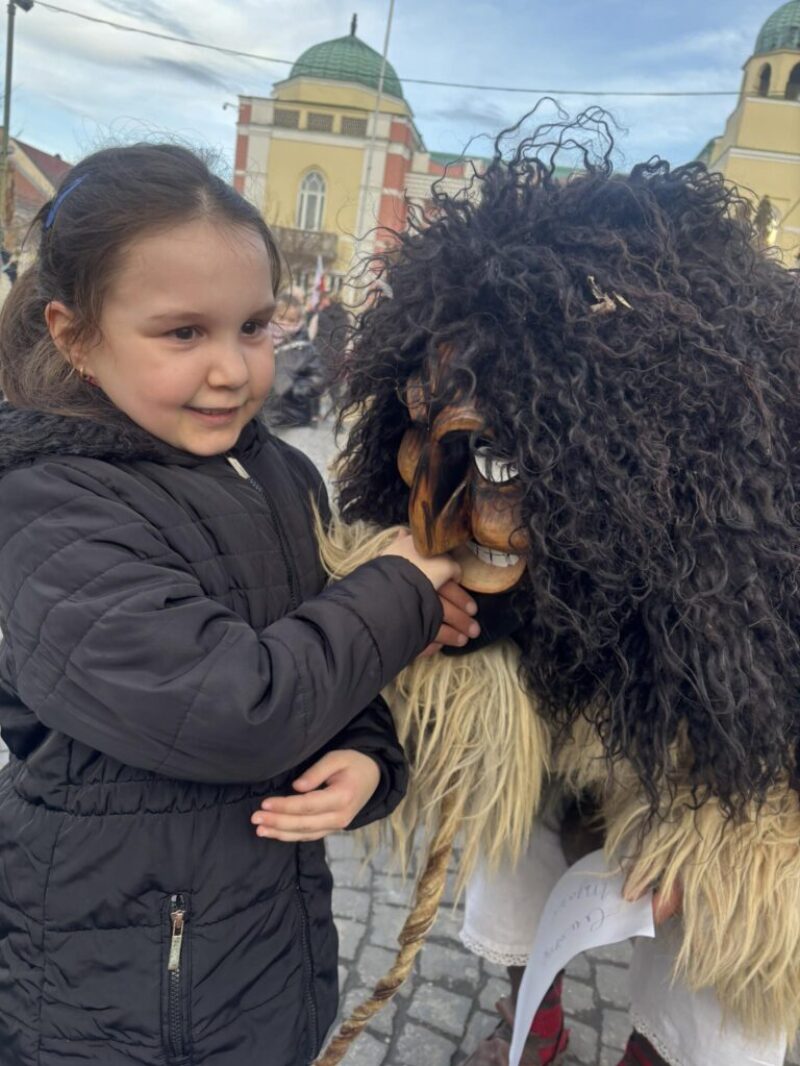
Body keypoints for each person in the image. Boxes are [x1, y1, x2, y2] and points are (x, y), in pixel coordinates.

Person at [322, 106, 800, 1066]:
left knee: (733, 916)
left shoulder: (752, 534)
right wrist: (410, 622)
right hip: (567, 689)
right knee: (510, 817)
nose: (442, 516)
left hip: (721, 732)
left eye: (499, 467)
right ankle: (529, 1023)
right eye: (423, 443)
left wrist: (736, 831)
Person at [0, 143, 479, 1066]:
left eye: (254, 326)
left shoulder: (280, 472)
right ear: (75, 336)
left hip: (265, 955)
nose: (231, 369)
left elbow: (322, 650)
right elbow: (237, 705)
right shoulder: (48, 506)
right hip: (112, 997)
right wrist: (402, 587)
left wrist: (370, 758)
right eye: (183, 333)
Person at [263, 291, 325, 428]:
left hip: (293, 418)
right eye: (281, 317)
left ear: (298, 321)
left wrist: (293, 389)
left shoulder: (305, 349)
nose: (284, 323)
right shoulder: (260, 341)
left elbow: (318, 381)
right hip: (263, 417)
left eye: (291, 320)